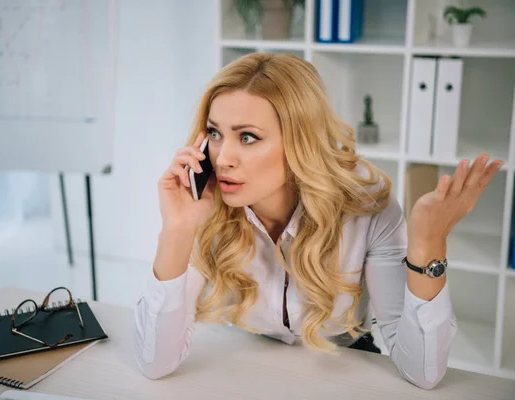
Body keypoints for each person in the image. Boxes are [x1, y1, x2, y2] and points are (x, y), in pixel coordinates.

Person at [132, 53, 503, 389]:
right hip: (246, 370)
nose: (224, 157)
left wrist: (427, 245)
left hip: (343, 371)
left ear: (301, 141)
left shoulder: (366, 205)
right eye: (214, 133)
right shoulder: (207, 204)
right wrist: (177, 231)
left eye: (248, 137)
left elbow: (423, 372)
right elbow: (156, 363)